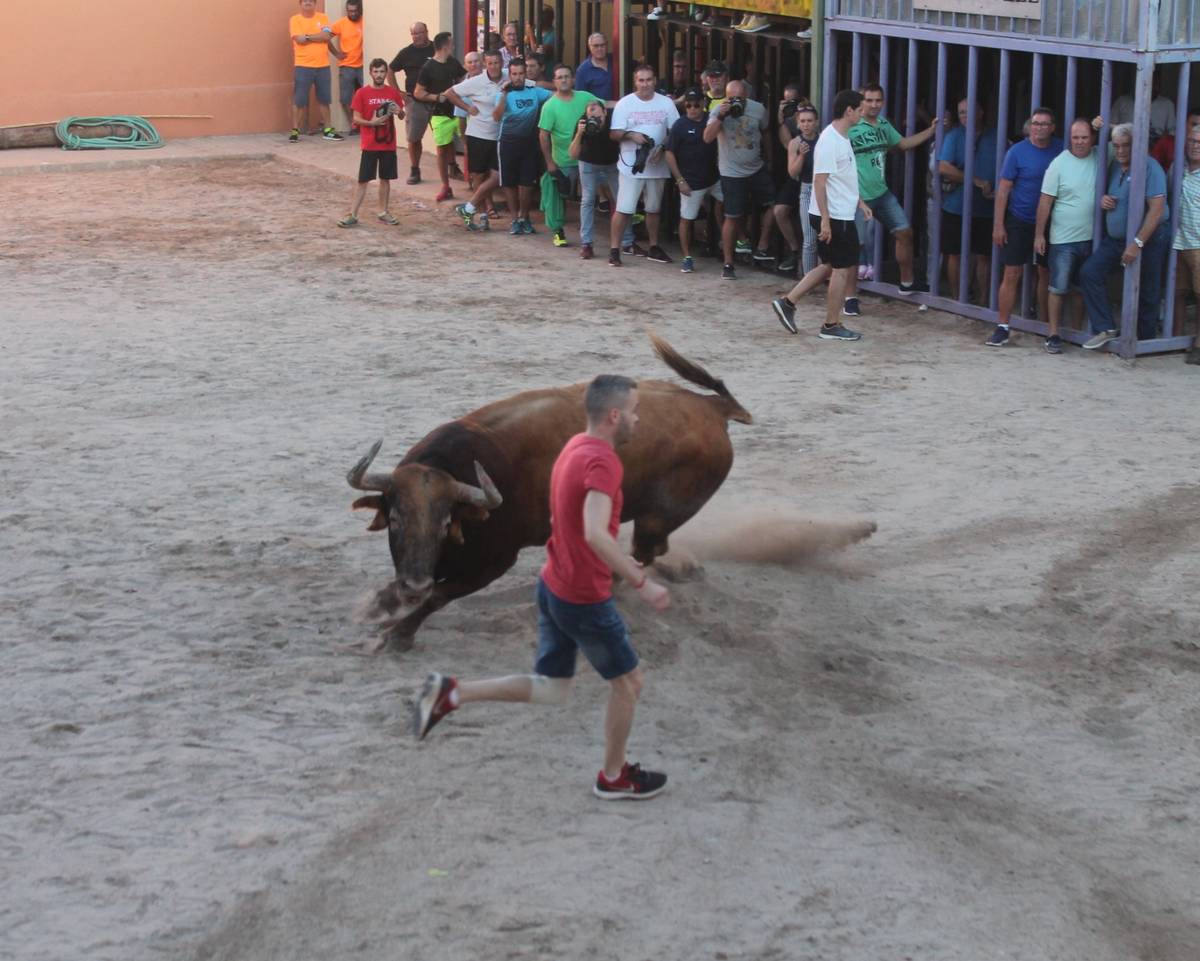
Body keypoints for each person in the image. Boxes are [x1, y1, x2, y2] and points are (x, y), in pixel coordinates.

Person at [412, 375, 671, 803]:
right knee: (630, 684)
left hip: (553, 585)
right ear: (613, 416)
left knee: (552, 688)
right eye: (634, 412)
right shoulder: (603, 462)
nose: (638, 420)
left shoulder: (572, 447)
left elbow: (561, 517)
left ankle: (451, 692)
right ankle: (613, 776)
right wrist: (641, 582)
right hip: (583, 596)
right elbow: (595, 533)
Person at [771, 88, 873, 341]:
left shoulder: (838, 136)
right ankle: (830, 325)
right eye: (860, 109)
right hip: (835, 216)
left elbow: (840, 177)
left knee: (829, 265)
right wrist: (826, 220)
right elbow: (819, 182)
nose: (863, 113)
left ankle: (788, 302)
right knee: (841, 268)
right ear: (849, 111)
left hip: (837, 212)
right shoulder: (831, 140)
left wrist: (858, 201)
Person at [840, 82, 938, 313]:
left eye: (878, 100)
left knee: (904, 232)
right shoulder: (850, 128)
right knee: (856, 248)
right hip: (857, 198)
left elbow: (903, 144)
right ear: (860, 102)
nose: (874, 105)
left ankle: (906, 283)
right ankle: (850, 299)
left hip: (881, 193)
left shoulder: (884, 124)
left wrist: (931, 131)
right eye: (869, 100)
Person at [1079, 122, 1171, 349]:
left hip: (1148, 238)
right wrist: (1104, 201)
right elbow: (1113, 195)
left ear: (1137, 144)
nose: (1120, 151)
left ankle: (1144, 343)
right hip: (1117, 239)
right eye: (1117, 146)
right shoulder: (1114, 166)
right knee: (1089, 273)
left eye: (1126, 146)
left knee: (1147, 291)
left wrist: (1137, 243)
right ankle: (1107, 328)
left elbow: (1157, 209)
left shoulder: (1150, 167)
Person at [986, 107, 1063, 347]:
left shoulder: (1061, 149)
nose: (1040, 128)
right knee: (1012, 273)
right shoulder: (1016, 152)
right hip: (1019, 218)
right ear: (1030, 126)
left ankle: (1043, 324)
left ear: (1053, 127)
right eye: (1036, 123)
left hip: (1051, 220)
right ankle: (1002, 326)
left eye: (1045, 124)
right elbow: (1003, 190)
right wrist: (998, 225)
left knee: (1045, 273)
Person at [1034, 118, 1099, 353]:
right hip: (1062, 239)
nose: (1080, 142)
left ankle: (1075, 331)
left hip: (1091, 238)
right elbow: (1045, 201)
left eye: (1084, 137)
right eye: (1075, 138)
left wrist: (1105, 125)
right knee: (1058, 287)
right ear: (1069, 138)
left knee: (1081, 289)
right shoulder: (1058, 164)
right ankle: (1053, 334)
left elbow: (1127, 141)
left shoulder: (1100, 156)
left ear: (1092, 138)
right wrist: (1039, 235)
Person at [704, 80, 776, 280]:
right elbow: (707, 137)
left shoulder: (758, 109)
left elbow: (766, 131)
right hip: (732, 172)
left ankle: (761, 246)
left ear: (747, 97)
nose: (736, 102)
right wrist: (721, 115)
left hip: (756, 167)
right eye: (732, 98)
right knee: (732, 216)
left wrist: (768, 158)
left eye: (740, 99)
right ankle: (728, 263)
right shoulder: (719, 110)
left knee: (775, 205)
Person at [608, 64, 679, 267]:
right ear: (635, 82)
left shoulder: (666, 103)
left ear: (655, 81)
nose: (645, 84)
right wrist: (631, 135)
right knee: (624, 209)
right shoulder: (625, 103)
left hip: (657, 164)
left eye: (649, 80)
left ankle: (654, 246)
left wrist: (663, 147)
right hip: (631, 164)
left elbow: (675, 131)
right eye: (641, 80)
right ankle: (615, 249)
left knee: (654, 209)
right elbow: (613, 134)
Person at [937, 97, 999, 304]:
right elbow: (943, 167)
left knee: (984, 256)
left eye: (969, 111)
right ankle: (958, 300)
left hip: (986, 207)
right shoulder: (954, 135)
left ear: (980, 113)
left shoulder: (996, 137)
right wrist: (976, 181)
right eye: (961, 112)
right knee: (954, 254)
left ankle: (983, 302)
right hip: (956, 205)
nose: (965, 116)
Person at [539, 64, 602, 247]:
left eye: (567, 76)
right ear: (554, 82)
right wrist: (550, 163)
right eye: (560, 77)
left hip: (588, 158)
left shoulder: (585, 97)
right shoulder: (550, 106)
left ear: (573, 79)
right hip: (564, 160)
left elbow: (605, 105)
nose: (564, 80)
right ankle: (558, 231)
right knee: (554, 191)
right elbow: (543, 135)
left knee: (597, 191)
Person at [337, 59, 404, 228]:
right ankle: (353, 213)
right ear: (370, 73)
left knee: (385, 178)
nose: (379, 75)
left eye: (382, 72)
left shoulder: (392, 92)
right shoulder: (361, 93)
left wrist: (399, 112)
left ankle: (383, 211)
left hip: (388, 143)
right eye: (376, 72)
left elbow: (402, 115)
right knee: (363, 179)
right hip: (370, 143)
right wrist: (372, 123)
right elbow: (356, 118)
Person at [446, 49, 505, 231]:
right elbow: (449, 93)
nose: (494, 66)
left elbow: (532, 83)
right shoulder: (475, 82)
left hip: (501, 136)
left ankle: (469, 207)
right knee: (479, 175)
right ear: (485, 64)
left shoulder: (509, 76)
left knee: (497, 175)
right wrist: (466, 107)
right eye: (490, 63)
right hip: (479, 135)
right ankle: (481, 215)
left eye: (497, 62)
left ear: (502, 63)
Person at [569, 100, 635, 259]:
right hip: (588, 163)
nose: (595, 120)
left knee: (622, 200)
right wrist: (579, 133)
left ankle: (627, 241)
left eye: (598, 116)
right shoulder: (582, 123)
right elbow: (572, 154)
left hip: (612, 163)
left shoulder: (614, 120)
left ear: (605, 113)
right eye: (591, 116)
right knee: (588, 200)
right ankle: (586, 243)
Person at [666, 88, 721, 274]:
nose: (692, 109)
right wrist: (680, 180)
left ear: (703, 104)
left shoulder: (711, 120)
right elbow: (669, 153)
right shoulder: (680, 125)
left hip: (714, 177)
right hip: (692, 181)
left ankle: (725, 242)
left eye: (696, 104)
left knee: (727, 206)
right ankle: (687, 256)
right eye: (688, 105)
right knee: (687, 219)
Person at [494, 58, 552, 235]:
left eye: (521, 74)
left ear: (525, 74)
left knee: (527, 183)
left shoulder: (534, 91)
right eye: (514, 74)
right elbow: (496, 116)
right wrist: (504, 95)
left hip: (529, 144)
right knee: (509, 183)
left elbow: (556, 96)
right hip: (508, 143)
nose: (518, 77)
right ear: (509, 75)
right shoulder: (503, 93)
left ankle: (524, 217)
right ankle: (514, 220)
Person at [413, 32, 466, 202]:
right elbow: (418, 93)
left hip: (458, 112)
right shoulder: (428, 67)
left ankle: (474, 181)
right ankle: (445, 186)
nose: (454, 46)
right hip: (440, 114)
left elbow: (463, 78)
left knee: (471, 144)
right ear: (445, 46)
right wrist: (437, 97)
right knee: (442, 150)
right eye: (452, 44)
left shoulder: (453, 62)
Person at [769, 85, 814, 275]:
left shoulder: (816, 129)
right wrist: (781, 120)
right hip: (797, 177)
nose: (805, 123)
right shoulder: (789, 126)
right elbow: (790, 151)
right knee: (779, 210)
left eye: (794, 101)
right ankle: (795, 251)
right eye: (787, 102)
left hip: (815, 181)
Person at [287, 0, 343, 143]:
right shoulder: (295, 20)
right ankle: (295, 130)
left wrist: (307, 37)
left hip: (323, 65)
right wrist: (315, 36)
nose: (308, 3)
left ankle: (328, 130)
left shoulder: (323, 17)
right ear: (300, 3)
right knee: (299, 100)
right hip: (303, 65)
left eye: (310, 1)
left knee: (325, 99)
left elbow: (326, 37)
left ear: (315, 3)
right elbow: (298, 39)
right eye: (305, 1)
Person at [389, 22, 435, 184]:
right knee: (413, 138)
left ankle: (451, 166)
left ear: (426, 32)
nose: (416, 37)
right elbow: (390, 69)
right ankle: (415, 170)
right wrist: (399, 93)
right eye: (413, 34)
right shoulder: (406, 53)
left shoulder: (436, 49)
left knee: (444, 138)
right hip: (415, 102)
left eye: (419, 33)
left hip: (437, 100)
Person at [1173, 124, 1200, 350]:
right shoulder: (1177, 167)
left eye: (1199, 142)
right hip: (1178, 241)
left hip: (1199, 243)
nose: (1195, 146)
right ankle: (1175, 338)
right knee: (1177, 292)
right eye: (1192, 141)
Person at [329, 0, 364, 134]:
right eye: (350, 11)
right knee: (346, 98)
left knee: (367, 95)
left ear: (359, 10)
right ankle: (354, 123)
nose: (353, 13)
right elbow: (327, 37)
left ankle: (366, 124)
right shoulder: (341, 23)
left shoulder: (365, 21)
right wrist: (337, 53)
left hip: (362, 65)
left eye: (355, 11)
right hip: (346, 66)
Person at [576, 33, 614, 100]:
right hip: (598, 109)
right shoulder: (583, 70)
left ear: (607, 45)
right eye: (596, 46)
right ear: (589, 47)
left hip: (622, 108)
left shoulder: (616, 60)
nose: (599, 49)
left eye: (602, 45)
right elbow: (581, 98)